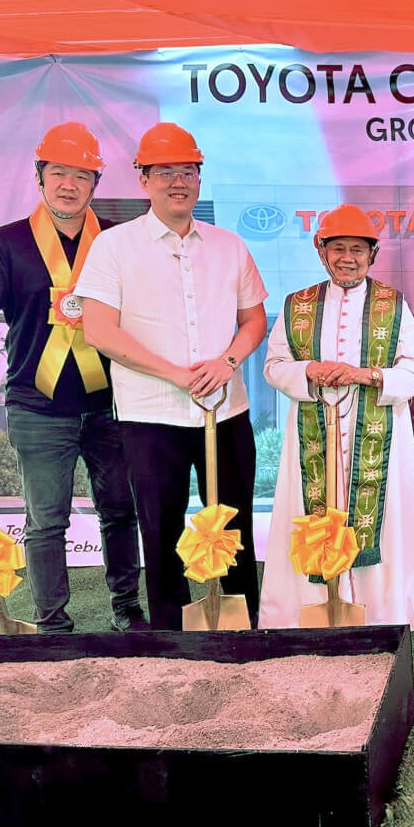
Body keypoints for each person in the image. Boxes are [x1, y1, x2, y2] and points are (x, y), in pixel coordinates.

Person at [0, 122, 145, 633]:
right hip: (37, 406)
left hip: (113, 404)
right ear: (40, 177)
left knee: (121, 511)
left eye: (82, 175)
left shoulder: (120, 243)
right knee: (46, 521)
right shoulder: (5, 243)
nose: (69, 184)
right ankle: (53, 624)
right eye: (58, 172)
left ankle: (128, 609)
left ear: (95, 185)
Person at [76, 122, 268, 630]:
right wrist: (177, 375)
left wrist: (226, 363)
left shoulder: (229, 246)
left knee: (234, 521)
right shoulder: (114, 247)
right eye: (164, 172)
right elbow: (99, 330)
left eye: (188, 171)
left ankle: (242, 624)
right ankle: (169, 633)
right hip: (149, 414)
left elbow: (254, 320)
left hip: (226, 411)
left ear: (200, 178)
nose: (177, 181)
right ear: (143, 178)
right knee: (160, 527)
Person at [260, 204, 414, 629]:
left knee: (379, 519)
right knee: (310, 510)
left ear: (372, 254)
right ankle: (306, 607)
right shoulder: (296, 305)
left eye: (357, 248)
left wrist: (367, 375)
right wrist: (309, 372)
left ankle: (382, 611)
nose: (347, 257)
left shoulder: (393, 305)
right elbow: (274, 366)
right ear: (322, 252)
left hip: (377, 436)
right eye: (338, 248)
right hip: (312, 435)